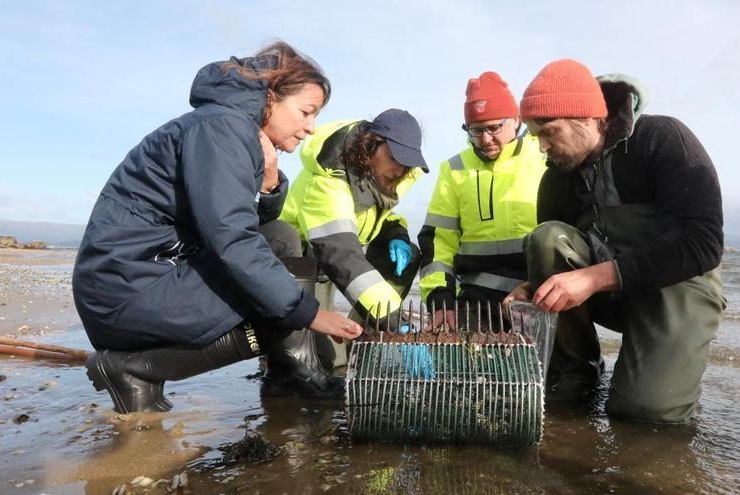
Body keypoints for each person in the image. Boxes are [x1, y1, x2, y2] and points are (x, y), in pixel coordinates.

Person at [72, 42, 362, 414]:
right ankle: (133, 367)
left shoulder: (230, 128)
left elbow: (234, 225)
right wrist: (309, 313)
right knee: (274, 275)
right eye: (306, 112)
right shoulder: (222, 128)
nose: (310, 128)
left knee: (278, 242)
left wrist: (270, 185)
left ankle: (290, 373)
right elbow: (232, 238)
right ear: (271, 96)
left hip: (143, 281)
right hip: (126, 291)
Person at [506, 59, 725, 423]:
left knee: (645, 413)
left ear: (586, 118)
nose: (541, 147)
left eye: (549, 132)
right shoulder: (558, 178)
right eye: (534, 136)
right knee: (545, 238)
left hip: (675, 289)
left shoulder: (663, 139)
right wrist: (533, 288)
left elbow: (701, 242)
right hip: (610, 296)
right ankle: (577, 375)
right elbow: (557, 256)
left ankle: (655, 378)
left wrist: (592, 278)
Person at [279, 109, 428, 336]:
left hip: (338, 262)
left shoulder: (376, 176)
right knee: (330, 365)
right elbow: (341, 254)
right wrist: (395, 320)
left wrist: (396, 235)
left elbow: (376, 219)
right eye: (395, 158)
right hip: (302, 267)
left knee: (410, 254)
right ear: (371, 145)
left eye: (406, 163)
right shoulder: (328, 181)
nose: (400, 170)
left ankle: (364, 335)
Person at [418, 72, 546, 330]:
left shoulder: (544, 154)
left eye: (494, 127)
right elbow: (439, 241)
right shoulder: (454, 169)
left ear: (516, 120)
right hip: (477, 299)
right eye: (476, 130)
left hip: (540, 291)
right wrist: (440, 297)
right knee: (459, 365)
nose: (486, 139)